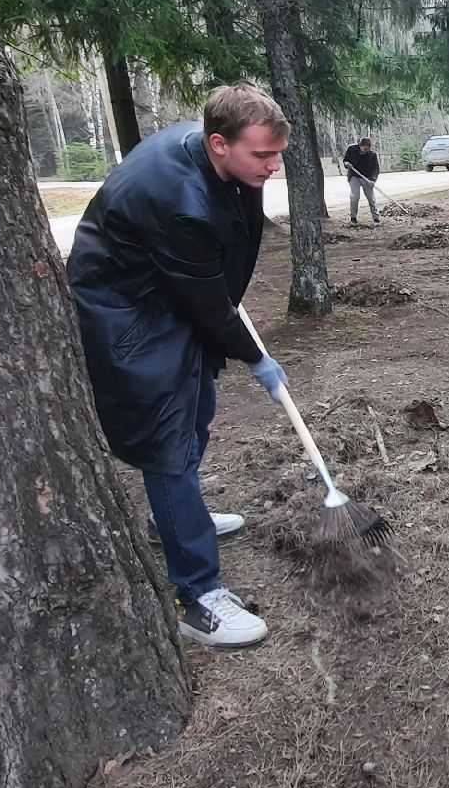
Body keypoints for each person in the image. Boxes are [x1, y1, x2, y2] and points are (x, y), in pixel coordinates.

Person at [67, 84, 292, 648]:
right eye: (262, 155)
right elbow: (208, 302)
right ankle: (197, 596)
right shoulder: (179, 200)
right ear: (219, 143)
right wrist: (256, 357)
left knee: (199, 408)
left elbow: (219, 268)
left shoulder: (219, 162)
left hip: (168, 294)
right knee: (168, 442)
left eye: (277, 153)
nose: (273, 165)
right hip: (128, 313)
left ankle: (172, 518)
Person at [343, 137, 382, 226]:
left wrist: (373, 180)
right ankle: (353, 218)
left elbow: (376, 169)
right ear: (359, 145)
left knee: (371, 198)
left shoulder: (372, 155)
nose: (366, 151)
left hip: (367, 178)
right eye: (364, 149)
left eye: (368, 149)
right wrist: (346, 163)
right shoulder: (351, 149)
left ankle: (376, 218)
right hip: (354, 176)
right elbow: (345, 160)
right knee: (355, 196)